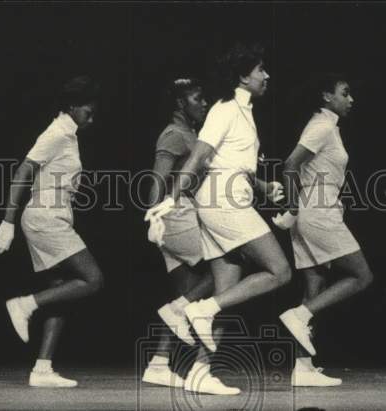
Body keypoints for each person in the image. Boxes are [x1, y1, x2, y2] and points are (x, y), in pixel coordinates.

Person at [145, 42, 288, 396]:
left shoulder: (243, 110)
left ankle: (202, 372)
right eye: (260, 70)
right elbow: (199, 157)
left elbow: (228, 161)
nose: (266, 75)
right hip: (224, 203)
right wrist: (169, 201)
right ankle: (196, 309)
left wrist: (263, 187)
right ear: (243, 76)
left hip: (227, 197)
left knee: (228, 290)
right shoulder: (225, 109)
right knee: (279, 271)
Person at [0, 75, 104, 388]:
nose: (91, 118)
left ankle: (42, 369)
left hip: (56, 216)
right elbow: (22, 171)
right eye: (87, 111)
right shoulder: (56, 133)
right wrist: (7, 221)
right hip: (45, 218)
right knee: (93, 279)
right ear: (71, 107)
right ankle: (23, 304)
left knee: (61, 292)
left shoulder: (70, 134)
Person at [271, 73, 373, 387]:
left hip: (314, 209)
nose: (351, 98)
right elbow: (290, 164)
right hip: (317, 211)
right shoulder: (322, 126)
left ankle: (302, 368)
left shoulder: (326, 125)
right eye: (345, 92)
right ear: (327, 96)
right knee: (361, 276)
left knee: (315, 280)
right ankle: (299, 315)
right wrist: (291, 207)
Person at [142, 78, 219, 392]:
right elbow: (157, 180)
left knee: (186, 296)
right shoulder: (174, 134)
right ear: (179, 103)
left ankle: (159, 364)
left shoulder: (191, 134)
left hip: (183, 215)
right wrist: (152, 217)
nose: (203, 103)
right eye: (197, 97)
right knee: (227, 264)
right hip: (176, 216)